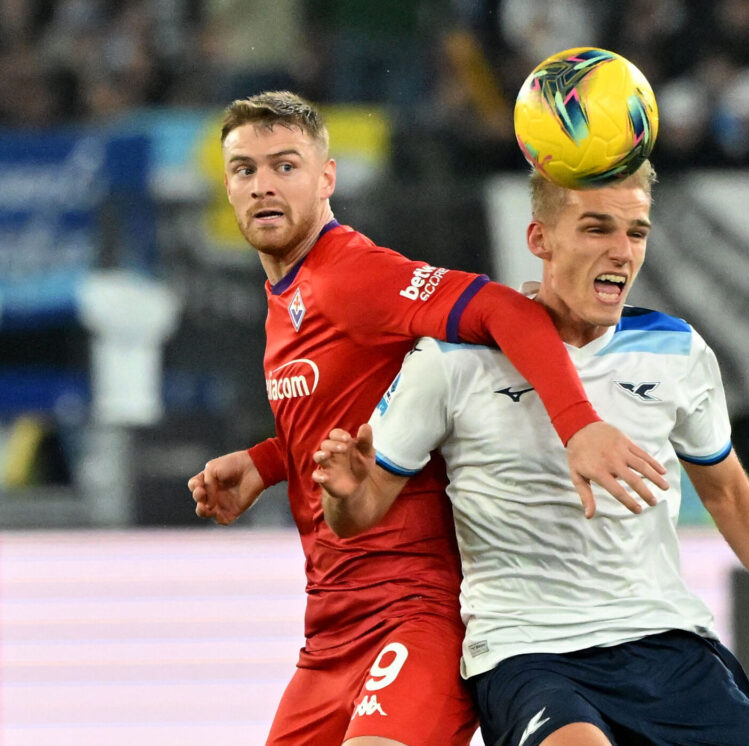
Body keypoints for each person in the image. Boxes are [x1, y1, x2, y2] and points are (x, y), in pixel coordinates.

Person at [313, 160, 749, 745]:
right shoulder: (454, 359)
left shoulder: (675, 350)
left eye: (636, 232)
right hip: (530, 654)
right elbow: (360, 512)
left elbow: (729, 494)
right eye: (597, 229)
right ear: (540, 239)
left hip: (667, 643)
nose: (622, 252)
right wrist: (347, 494)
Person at [186, 90, 669, 746]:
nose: (264, 186)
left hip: (416, 609)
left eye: (286, 166)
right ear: (227, 186)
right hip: (330, 631)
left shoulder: (352, 274)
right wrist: (267, 462)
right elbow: (356, 412)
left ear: (326, 178)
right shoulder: (288, 294)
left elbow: (509, 310)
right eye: (246, 170)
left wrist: (578, 423)